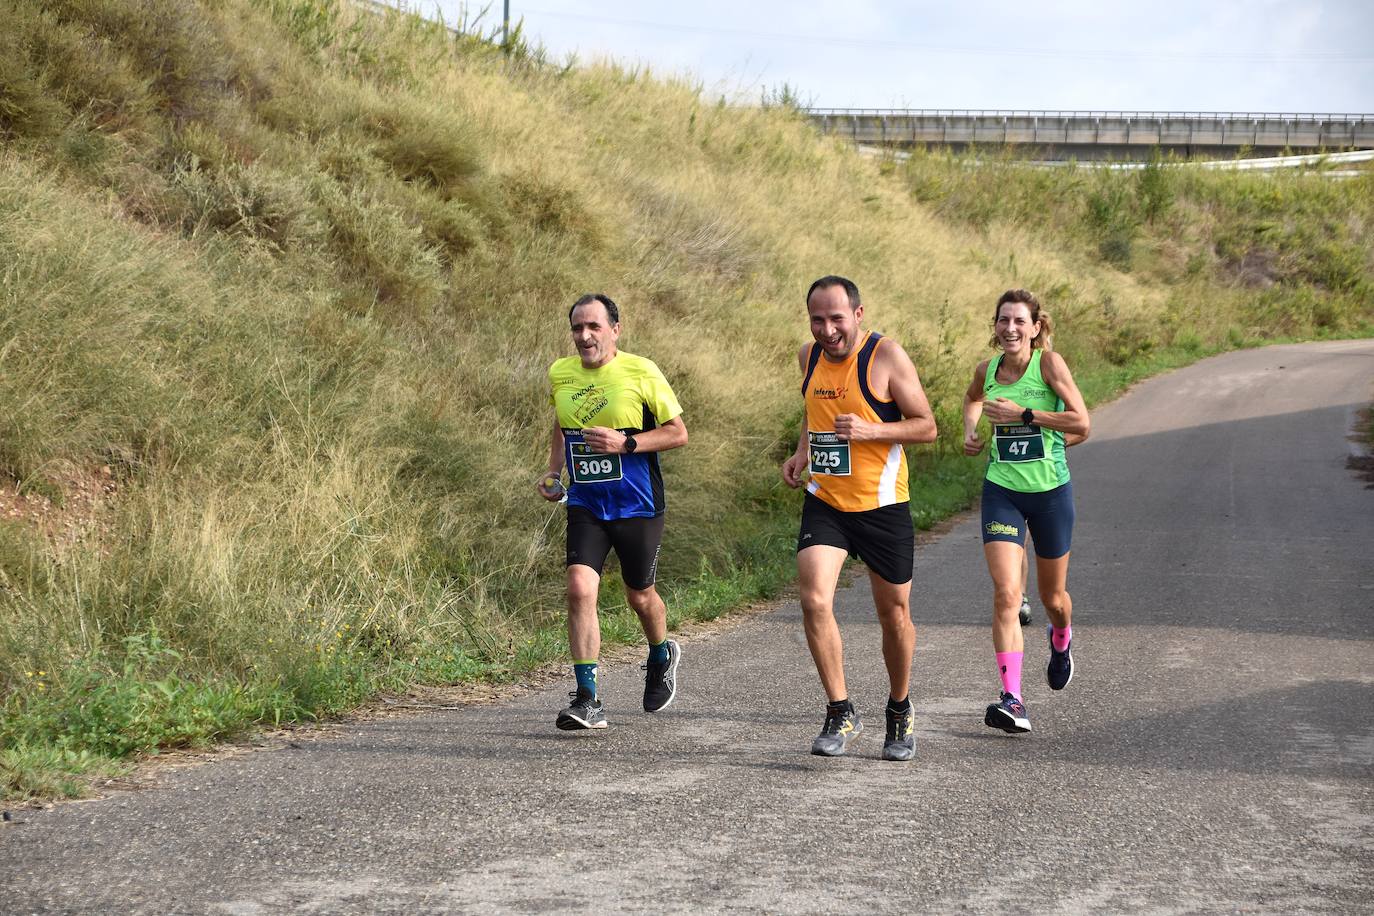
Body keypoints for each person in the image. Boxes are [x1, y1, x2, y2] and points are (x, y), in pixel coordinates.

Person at [781, 276, 938, 760]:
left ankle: (898, 707)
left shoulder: (885, 356)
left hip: (882, 504)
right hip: (826, 499)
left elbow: (927, 426)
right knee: (813, 598)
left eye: (836, 319)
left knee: (894, 616)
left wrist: (871, 430)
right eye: (818, 320)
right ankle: (840, 709)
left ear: (858, 314)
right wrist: (802, 450)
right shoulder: (808, 357)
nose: (828, 330)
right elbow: (815, 409)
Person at [538, 293, 689, 731]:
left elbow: (678, 434)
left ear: (615, 330)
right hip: (588, 502)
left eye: (594, 327)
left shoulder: (641, 371)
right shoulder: (560, 373)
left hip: (637, 504)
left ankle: (661, 652)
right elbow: (562, 425)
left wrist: (626, 443)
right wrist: (554, 471)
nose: (585, 336)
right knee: (580, 589)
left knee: (639, 595)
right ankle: (588, 699)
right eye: (577, 328)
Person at [961, 289, 1089, 734]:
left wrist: (1027, 414)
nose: (1010, 328)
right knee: (1006, 595)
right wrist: (971, 431)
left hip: (1051, 493)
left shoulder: (1049, 365)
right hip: (1003, 492)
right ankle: (1012, 699)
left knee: (1053, 599)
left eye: (1019, 321)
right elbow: (972, 398)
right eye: (1003, 320)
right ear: (994, 326)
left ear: (1036, 328)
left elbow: (1082, 423)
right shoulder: (987, 370)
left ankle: (1061, 639)